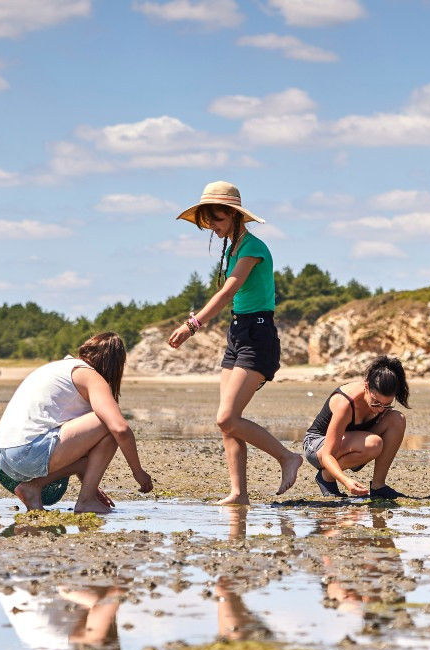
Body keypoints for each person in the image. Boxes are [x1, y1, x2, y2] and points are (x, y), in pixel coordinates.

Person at [166, 181, 304, 505]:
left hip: (258, 337)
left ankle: (288, 457)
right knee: (228, 424)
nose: (212, 227)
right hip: (238, 333)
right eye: (209, 221)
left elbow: (228, 291)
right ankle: (239, 494)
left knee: (227, 417)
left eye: (217, 219)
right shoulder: (232, 246)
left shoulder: (252, 248)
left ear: (234, 215)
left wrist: (193, 324)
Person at [0, 332, 154, 513]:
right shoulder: (90, 376)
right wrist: (138, 472)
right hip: (29, 453)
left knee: (104, 434)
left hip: (5, 458)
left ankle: (35, 488)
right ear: (115, 364)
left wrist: (90, 486)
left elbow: (82, 447)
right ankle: (85, 502)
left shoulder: (60, 368)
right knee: (110, 423)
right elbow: (121, 429)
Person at [303, 356, 412, 498]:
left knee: (397, 419)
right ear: (367, 387)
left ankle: (378, 485)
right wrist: (345, 481)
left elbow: (388, 417)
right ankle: (326, 477)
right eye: (376, 403)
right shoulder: (345, 403)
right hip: (318, 447)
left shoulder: (380, 404)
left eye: (387, 404)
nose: (381, 409)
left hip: (353, 441)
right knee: (374, 443)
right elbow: (327, 455)